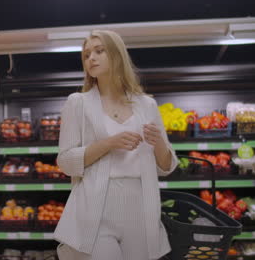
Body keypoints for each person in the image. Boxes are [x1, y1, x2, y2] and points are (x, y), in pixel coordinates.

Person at [54, 30, 178, 260]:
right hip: (97, 204)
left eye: (99, 51)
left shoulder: (146, 105)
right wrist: (108, 144)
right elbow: (66, 162)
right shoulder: (78, 104)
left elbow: (167, 165)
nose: (91, 58)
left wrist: (159, 142)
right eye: (87, 54)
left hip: (141, 204)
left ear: (117, 55)